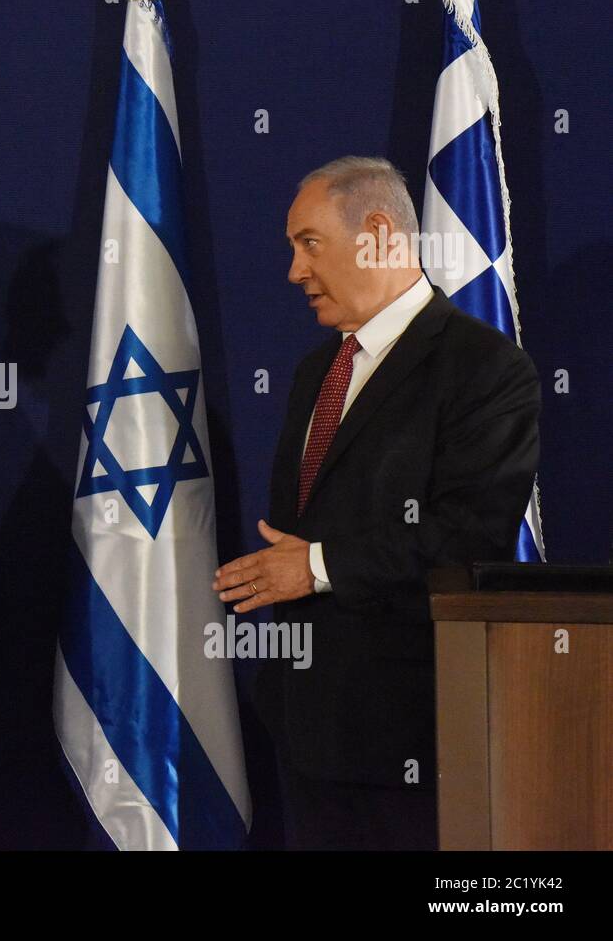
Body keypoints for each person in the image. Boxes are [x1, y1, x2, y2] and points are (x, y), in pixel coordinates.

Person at [212, 156, 539, 849]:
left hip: (410, 741)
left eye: (309, 243)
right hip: (305, 736)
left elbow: (469, 537)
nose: (294, 272)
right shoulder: (315, 371)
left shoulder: (484, 370)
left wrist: (318, 566)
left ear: (378, 233)